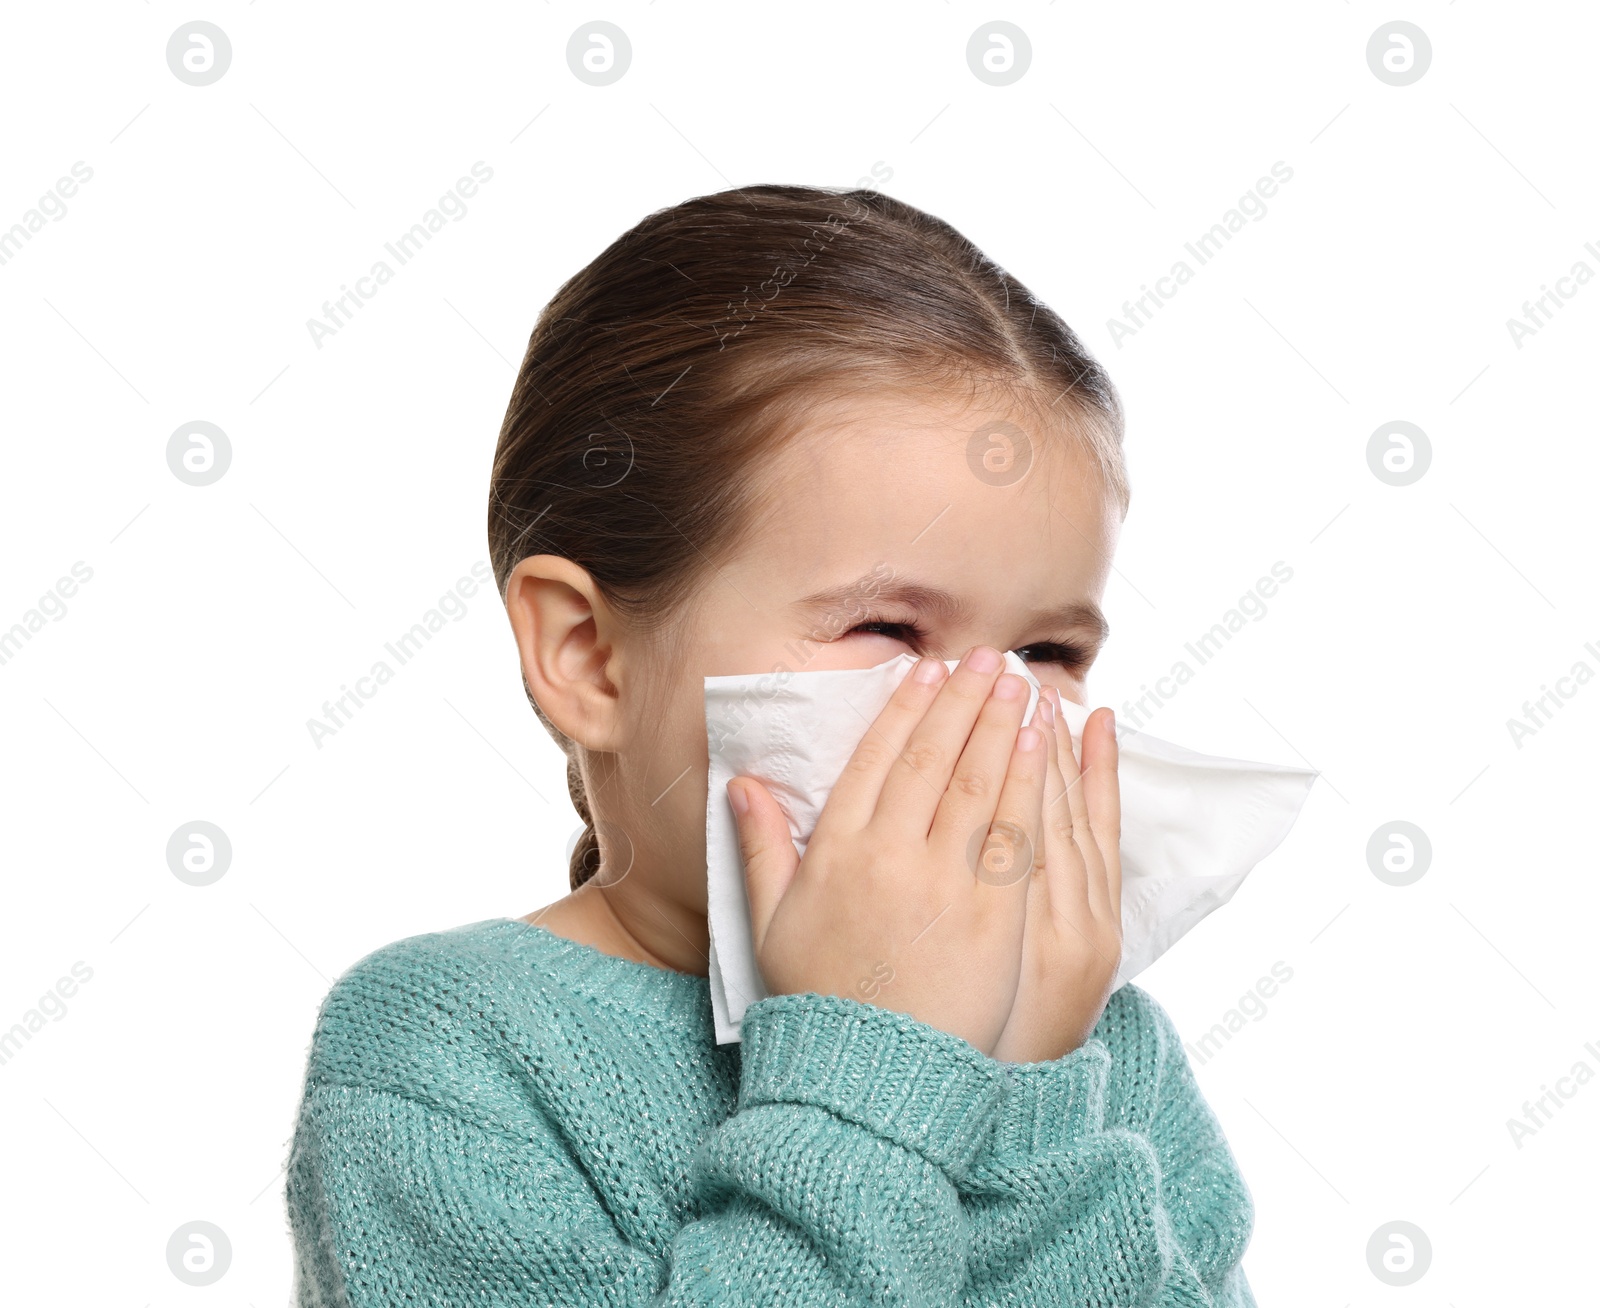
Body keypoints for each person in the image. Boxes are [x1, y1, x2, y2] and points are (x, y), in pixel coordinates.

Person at [284, 184, 1256, 1304]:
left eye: (1046, 653)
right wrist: (873, 1060)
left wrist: (1028, 1089)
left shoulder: (1100, 1050)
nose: (987, 718)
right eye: (888, 629)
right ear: (590, 656)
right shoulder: (444, 1056)